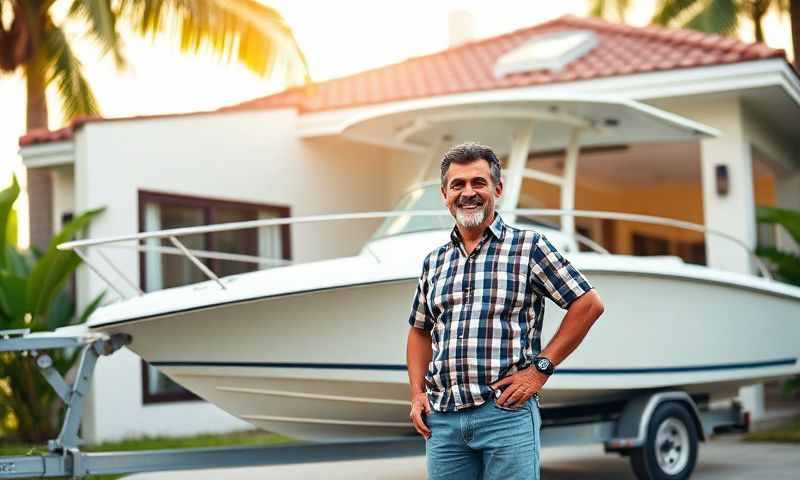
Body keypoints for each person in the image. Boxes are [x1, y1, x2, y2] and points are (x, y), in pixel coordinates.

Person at [406, 142, 605, 480]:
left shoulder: (528, 247)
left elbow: (587, 304)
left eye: (478, 183)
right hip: (443, 422)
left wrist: (540, 369)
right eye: (458, 185)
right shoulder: (434, 262)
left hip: (505, 415)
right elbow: (419, 330)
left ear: (497, 189)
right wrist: (416, 395)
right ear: (445, 194)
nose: (468, 192)